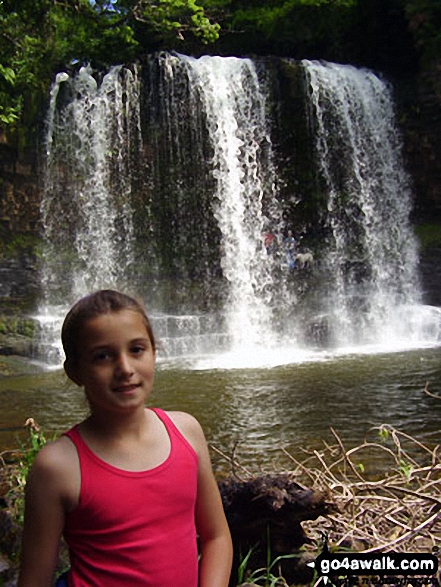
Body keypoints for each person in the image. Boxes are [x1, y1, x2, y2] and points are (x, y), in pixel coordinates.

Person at [18, 289, 233, 587]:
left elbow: (217, 537)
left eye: (136, 349)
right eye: (103, 356)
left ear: (154, 353)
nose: (125, 369)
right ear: (74, 372)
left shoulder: (187, 432)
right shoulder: (57, 467)